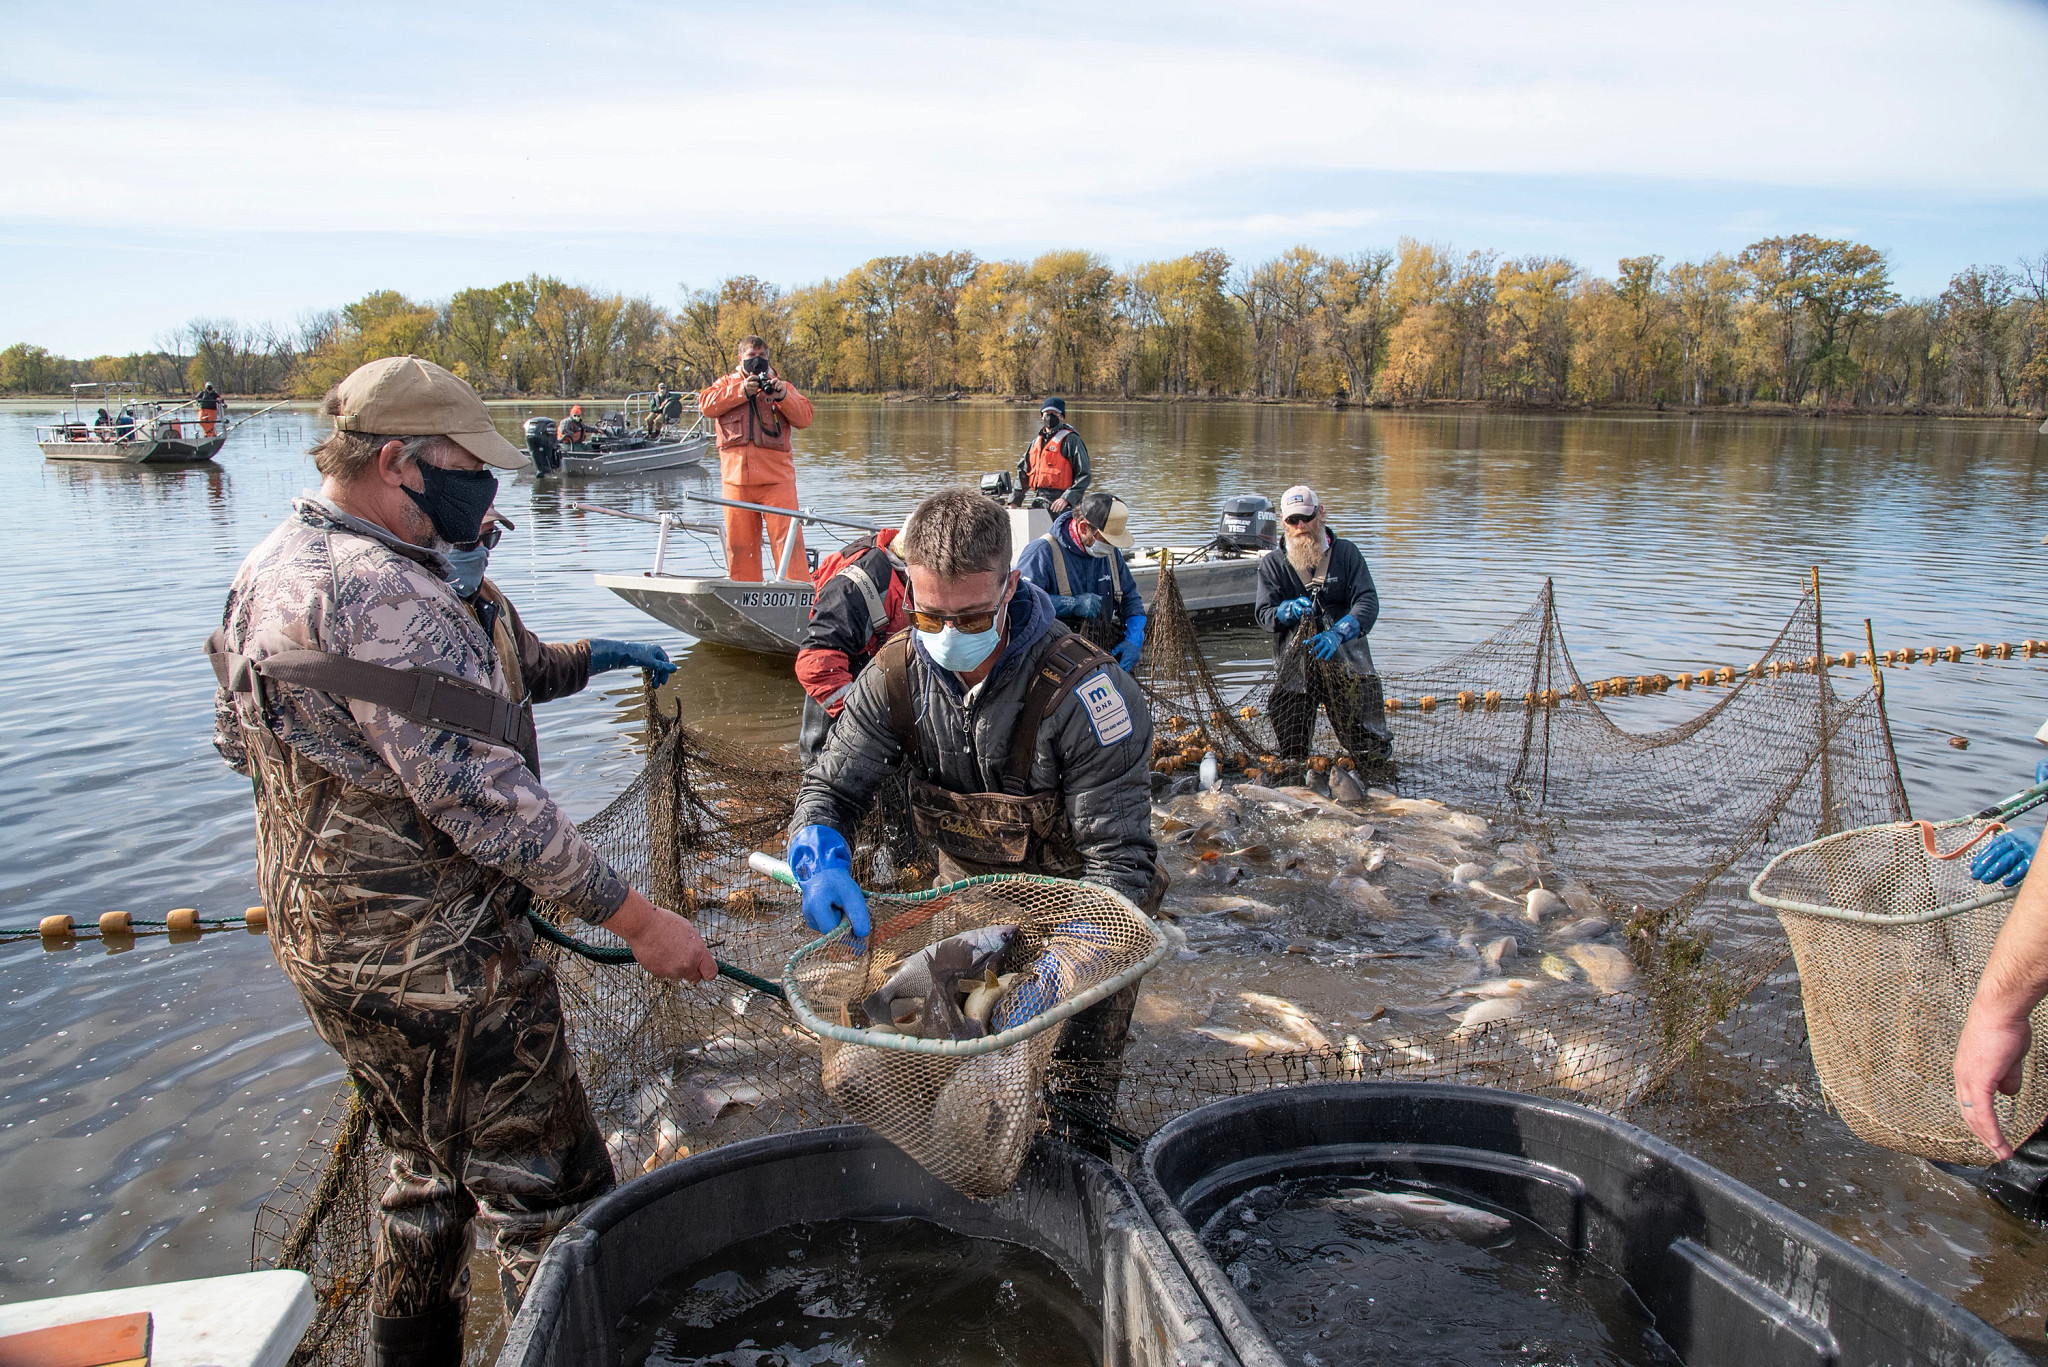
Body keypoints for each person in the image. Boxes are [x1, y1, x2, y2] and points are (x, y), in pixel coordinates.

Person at [206, 355, 715, 1367]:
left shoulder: (273, 561)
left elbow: (239, 741)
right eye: (464, 465)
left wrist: (592, 656)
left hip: (329, 954)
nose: (484, 487)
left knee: (423, 1178)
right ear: (396, 462)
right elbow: (491, 808)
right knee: (555, 1202)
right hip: (444, 969)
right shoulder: (381, 591)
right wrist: (644, 922)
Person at [786, 488, 1160, 1143]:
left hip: (1087, 923)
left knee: (1065, 1120)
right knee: (872, 1071)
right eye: (931, 618)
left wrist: (1048, 987)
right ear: (909, 588)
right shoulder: (896, 676)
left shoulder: (1089, 697)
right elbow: (829, 790)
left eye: (973, 615)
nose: (951, 636)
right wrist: (819, 856)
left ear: (1011, 585)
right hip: (974, 907)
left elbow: (1122, 866)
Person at [446, 507, 679, 699]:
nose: (481, 552)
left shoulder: (491, 598)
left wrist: (620, 653)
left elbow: (537, 672)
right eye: (466, 542)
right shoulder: (418, 608)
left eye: (489, 538)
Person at [1253, 484, 1391, 769]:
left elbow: (1367, 601)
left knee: (1370, 752)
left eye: (1307, 517)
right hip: (1295, 671)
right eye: (1293, 520)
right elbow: (1264, 615)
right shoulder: (1272, 565)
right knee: (1292, 755)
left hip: (1347, 665)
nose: (1301, 526)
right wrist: (1286, 610)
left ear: (1320, 513)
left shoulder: (1346, 554)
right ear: (1283, 522)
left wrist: (1339, 632)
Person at [699, 336, 815, 581]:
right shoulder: (725, 384)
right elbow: (706, 405)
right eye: (752, 357)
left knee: (789, 546)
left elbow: (805, 417)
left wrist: (783, 396)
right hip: (736, 482)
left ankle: (797, 594)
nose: (757, 362)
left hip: (777, 481)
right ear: (740, 358)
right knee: (740, 548)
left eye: (762, 357)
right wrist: (740, 392)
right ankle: (745, 597)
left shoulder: (781, 385)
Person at [794, 526, 911, 766]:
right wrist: (863, 721)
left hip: (877, 674)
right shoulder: (855, 587)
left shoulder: (912, 579)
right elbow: (815, 666)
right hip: (841, 691)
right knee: (827, 768)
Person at [1015, 491, 1145, 667]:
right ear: (1084, 528)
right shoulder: (1042, 552)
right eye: (1106, 539)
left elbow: (1130, 598)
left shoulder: (1111, 553)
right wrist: (1072, 604)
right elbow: (1020, 605)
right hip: (1054, 659)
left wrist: (1134, 638)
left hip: (1098, 652)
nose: (1111, 546)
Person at [1012, 397, 1090, 513]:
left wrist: (1067, 498)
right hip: (1039, 501)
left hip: (1063, 504)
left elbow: (1084, 475)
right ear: (1042, 416)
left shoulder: (1072, 440)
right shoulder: (1035, 443)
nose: (1049, 416)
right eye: (1047, 413)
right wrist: (1014, 501)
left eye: (1054, 413)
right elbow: (1022, 473)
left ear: (1062, 416)